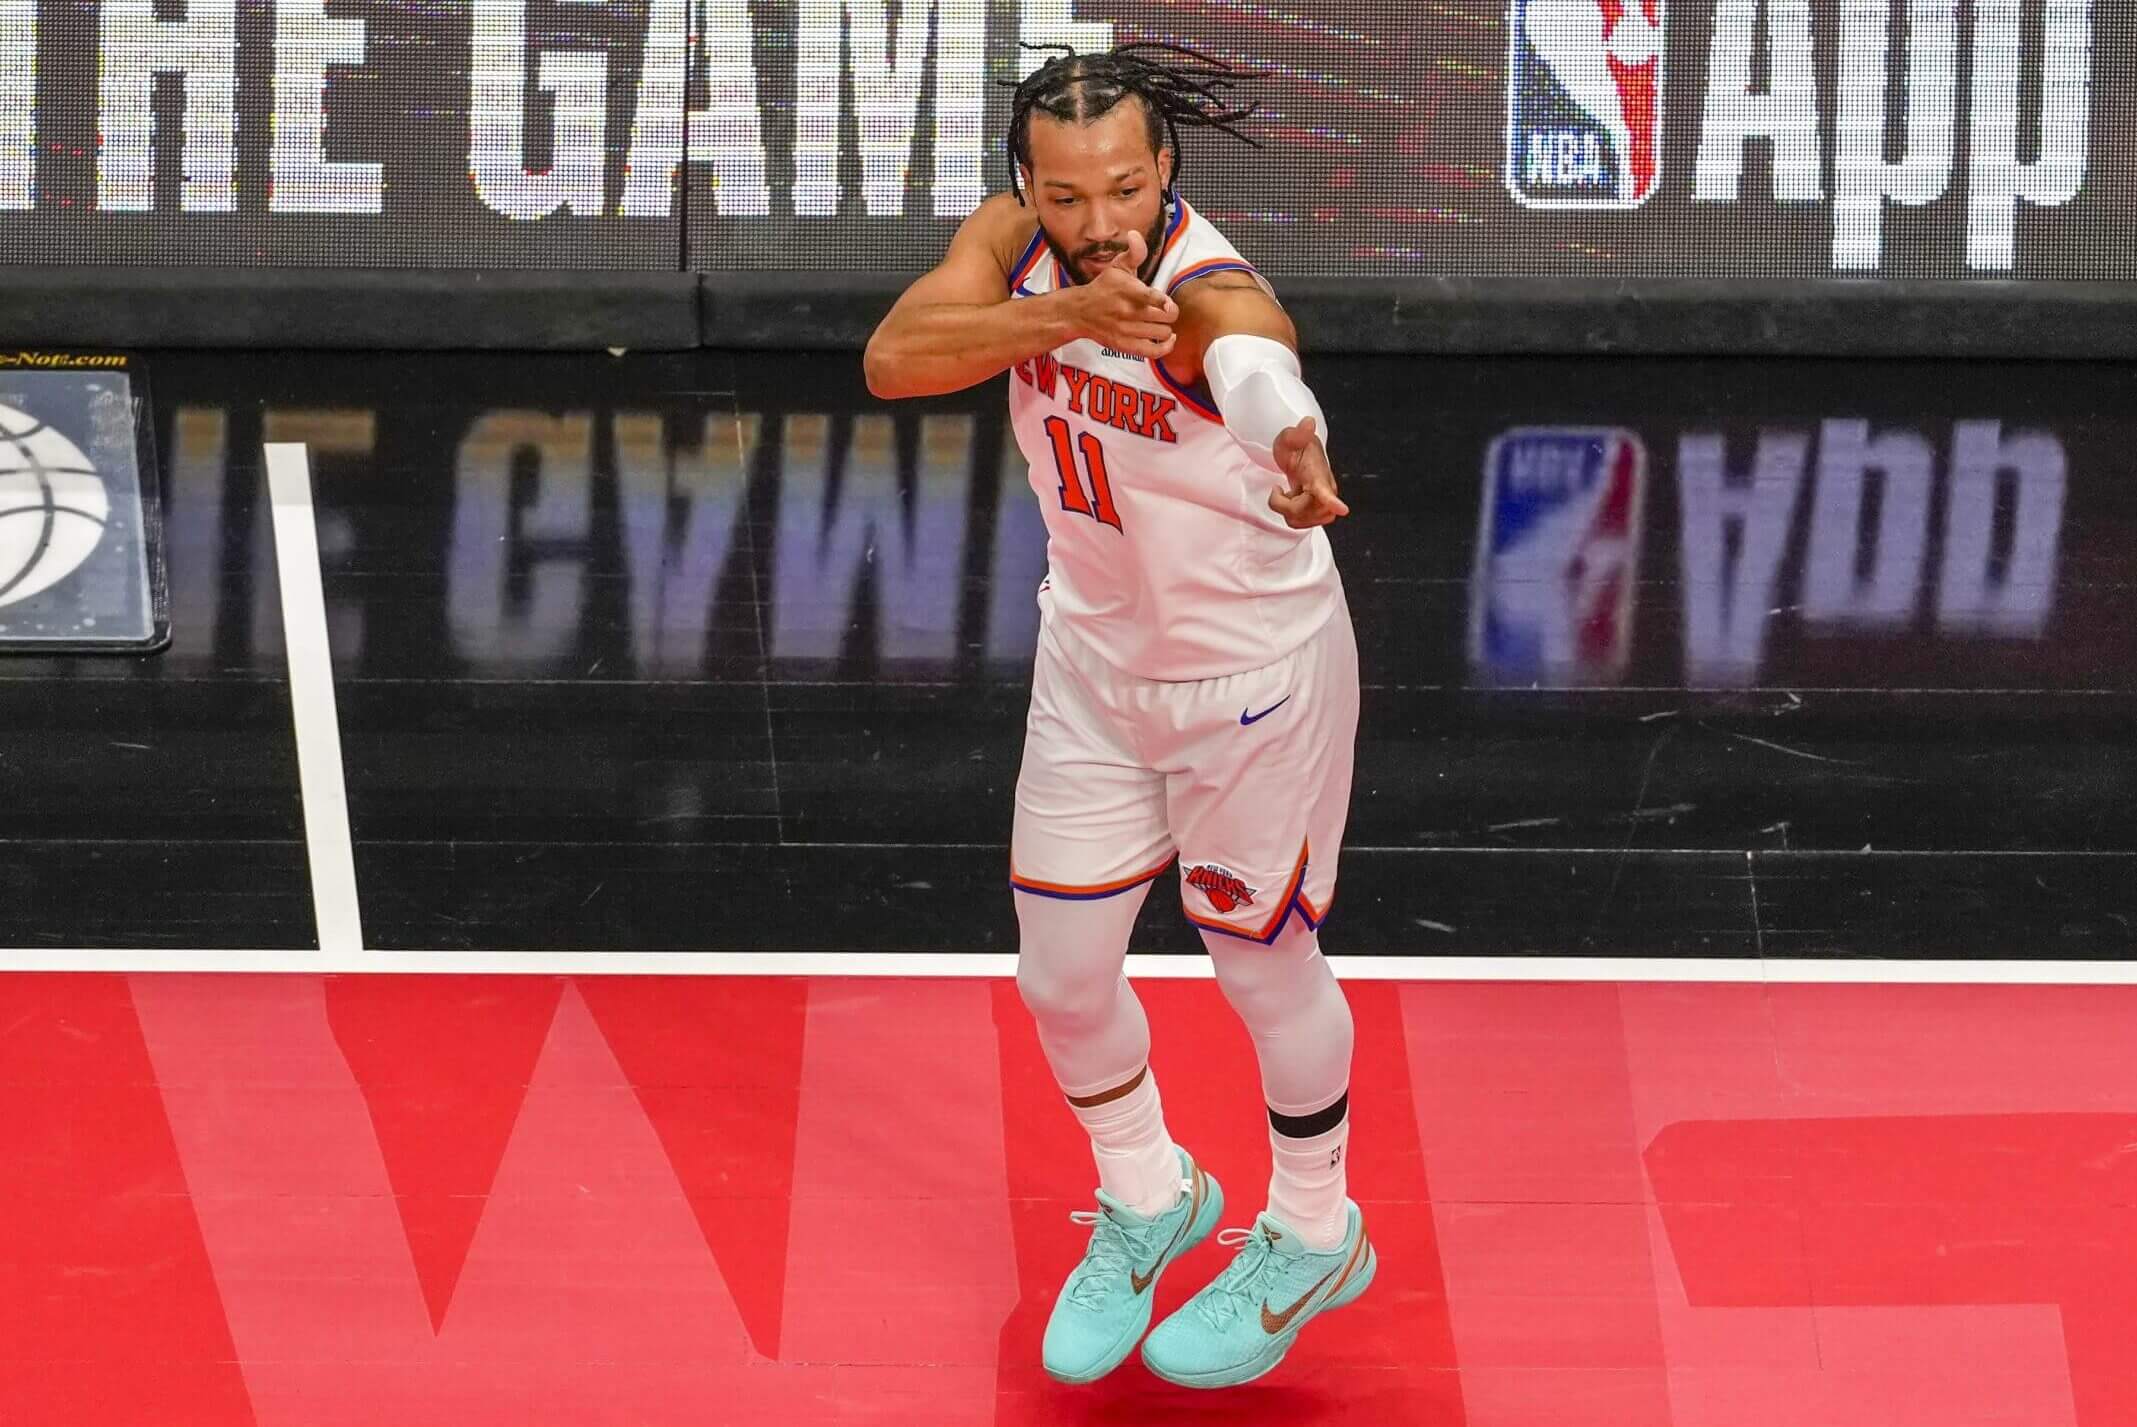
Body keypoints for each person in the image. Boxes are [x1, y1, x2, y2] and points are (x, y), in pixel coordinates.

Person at [863, 41, 1369, 1390]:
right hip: (1089, 665)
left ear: (1167, 172)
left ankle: (1315, 1230)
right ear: (1026, 185)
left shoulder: (1204, 287)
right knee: (1063, 978)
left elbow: (1251, 361)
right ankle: (1151, 1195)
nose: (1102, 223)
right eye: (1069, 195)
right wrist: (1060, 317)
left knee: (1261, 967)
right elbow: (895, 359)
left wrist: (1291, 434)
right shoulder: (1011, 245)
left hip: (1247, 681)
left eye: (1128, 190)